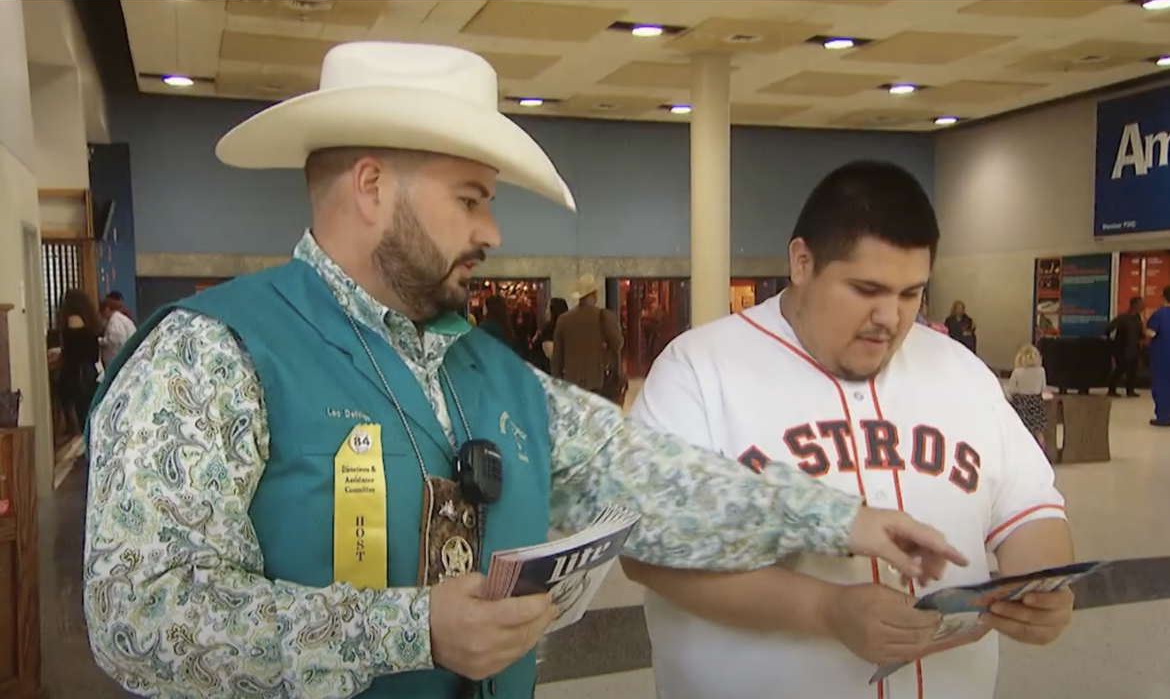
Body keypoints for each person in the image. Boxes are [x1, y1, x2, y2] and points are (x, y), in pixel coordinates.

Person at [81, 44, 964, 699]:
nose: (493, 232)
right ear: (372, 186)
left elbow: (657, 485)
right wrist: (416, 626)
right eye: (471, 198)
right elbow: (140, 617)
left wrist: (844, 519)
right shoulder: (212, 354)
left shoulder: (496, 377)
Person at [625, 160, 1073, 699]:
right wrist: (825, 608)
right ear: (802, 262)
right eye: (866, 289)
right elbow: (646, 549)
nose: (891, 317)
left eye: (911, 294)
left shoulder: (960, 371)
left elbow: (1031, 510)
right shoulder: (700, 370)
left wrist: (1042, 587)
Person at [552, 275, 623, 397]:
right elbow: (618, 344)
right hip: (597, 380)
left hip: (571, 381)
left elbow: (557, 357)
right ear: (594, 295)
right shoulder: (603, 316)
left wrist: (557, 381)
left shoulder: (563, 319)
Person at [56, 288, 101, 436]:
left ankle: (80, 444)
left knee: (77, 412)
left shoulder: (73, 319)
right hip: (90, 371)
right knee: (88, 411)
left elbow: (75, 350)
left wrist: (60, 354)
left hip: (77, 374)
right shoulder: (89, 319)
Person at [1005, 344, 1049, 448]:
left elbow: (1011, 389)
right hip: (1036, 403)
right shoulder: (1041, 371)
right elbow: (1043, 388)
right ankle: (1041, 451)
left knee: (1020, 430)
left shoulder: (1017, 372)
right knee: (1038, 432)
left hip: (1021, 404)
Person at [1105, 296, 1145, 398]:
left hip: (1134, 348)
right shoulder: (1123, 318)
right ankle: (1112, 389)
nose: (1143, 305)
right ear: (1134, 305)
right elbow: (1109, 328)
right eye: (1141, 303)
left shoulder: (1138, 318)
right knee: (1120, 368)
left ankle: (1130, 390)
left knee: (1133, 370)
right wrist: (1110, 340)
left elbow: (1140, 333)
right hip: (1122, 348)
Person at [1146, 286, 1170, 426]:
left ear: (1163, 297)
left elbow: (1151, 333)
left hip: (1163, 356)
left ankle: (1163, 417)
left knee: (1162, 387)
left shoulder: (1160, 314)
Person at [98, 296, 137, 365]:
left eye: (102, 312)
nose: (102, 315)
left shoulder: (115, 321)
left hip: (119, 359)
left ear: (107, 309)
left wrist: (101, 341)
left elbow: (116, 339)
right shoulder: (120, 318)